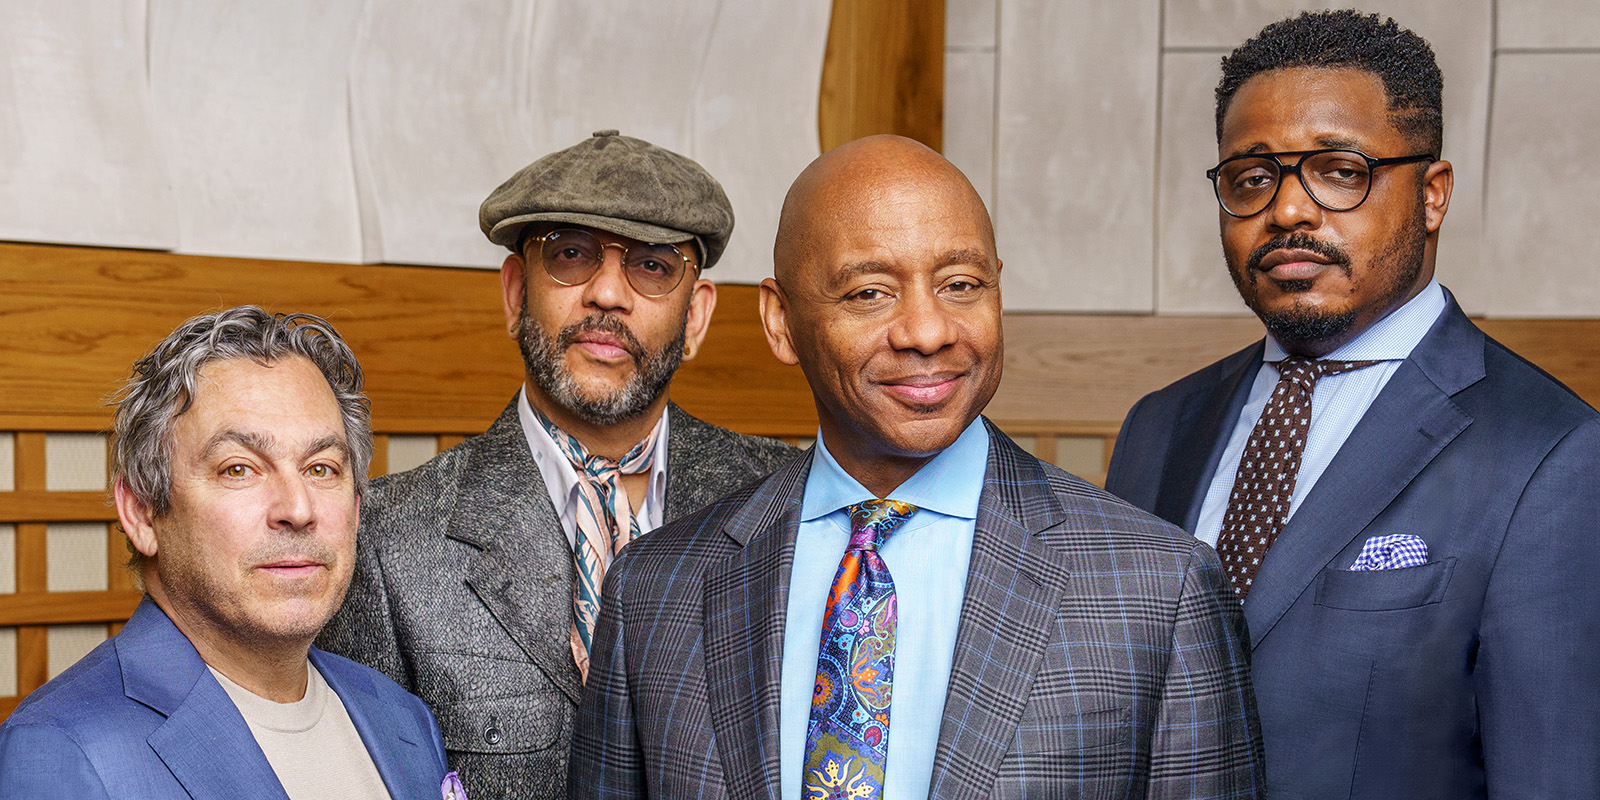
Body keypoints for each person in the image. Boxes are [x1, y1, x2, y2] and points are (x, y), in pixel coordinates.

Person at [570, 134, 1264, 799]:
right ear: (780, 320)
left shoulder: (1159, 590)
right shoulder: (656, 590)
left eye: (962, 284)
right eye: (870, 293)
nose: (929, 332)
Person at [1105, 10, 1600, 799]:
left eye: (1340, 170)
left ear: (1433, 196)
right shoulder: (1160, 427)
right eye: (1251, 178)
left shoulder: (1554, 453)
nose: (1288, 210)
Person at [319, 130, 797, 800]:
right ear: (516, 293)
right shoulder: (389, 541)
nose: (607, 294)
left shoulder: (783, 500)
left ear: (697, 317)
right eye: (571, 255)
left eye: (653, 266)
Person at [0, 306, 454, 799]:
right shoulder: (63, 749)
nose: (297, 509)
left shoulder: (403, 719)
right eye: (239, 469)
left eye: (322, 468)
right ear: (143, 513)